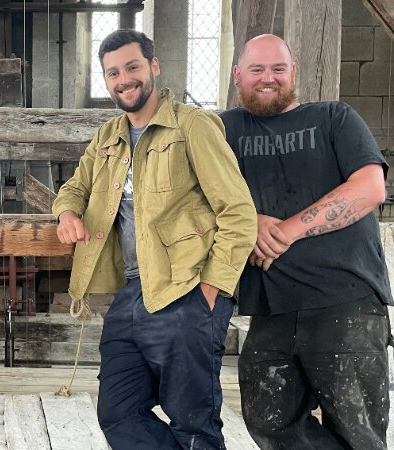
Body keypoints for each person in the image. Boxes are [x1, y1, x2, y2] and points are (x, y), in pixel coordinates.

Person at [52, 29, 257, 450]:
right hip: (129, 293)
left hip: (187, 290)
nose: (123, 79)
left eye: (132, 67)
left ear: (153, 66)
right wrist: (66, 213)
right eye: (113, 73)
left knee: (193, 423)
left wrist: (212, 289)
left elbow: (237, 211)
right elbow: (74, 187)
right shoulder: (108, 136)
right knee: (117, 413)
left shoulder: (193, 125)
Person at [220, 34, 392, 450]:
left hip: (345, 302)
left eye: (278, 68)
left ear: (293, 72)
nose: (268, 78)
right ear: (238, 74)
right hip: (269, 310)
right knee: (269, 425)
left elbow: (370, 188)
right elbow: (195, 195)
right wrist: (250, 222)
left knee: (360, 435)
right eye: (257, 69)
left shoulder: (335, 117)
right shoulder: (224, 129)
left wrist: (286, 230)